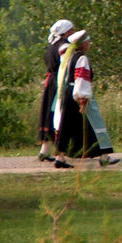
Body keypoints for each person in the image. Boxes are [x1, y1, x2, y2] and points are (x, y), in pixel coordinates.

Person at [52, 29, 118, 168]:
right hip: (78, 93)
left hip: (68, 92)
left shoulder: (69, 57)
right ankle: (104, 156)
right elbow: (81, 79)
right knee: (95, 123)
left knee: (66, 125)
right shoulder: (82, 58)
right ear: (83, 44)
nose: (89, 44)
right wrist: (83, 98)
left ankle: (60, 157)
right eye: (88, 42)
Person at [36, 19, 74, 161]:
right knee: (57, 113)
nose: (73, 33)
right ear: (66, 32)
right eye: (71, 30)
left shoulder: (51, 47)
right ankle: (59, 151)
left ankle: (44, 150)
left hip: (50, 82)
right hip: (59, 81)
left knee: (49, 113)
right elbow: (66, 67)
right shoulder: (63, 47)